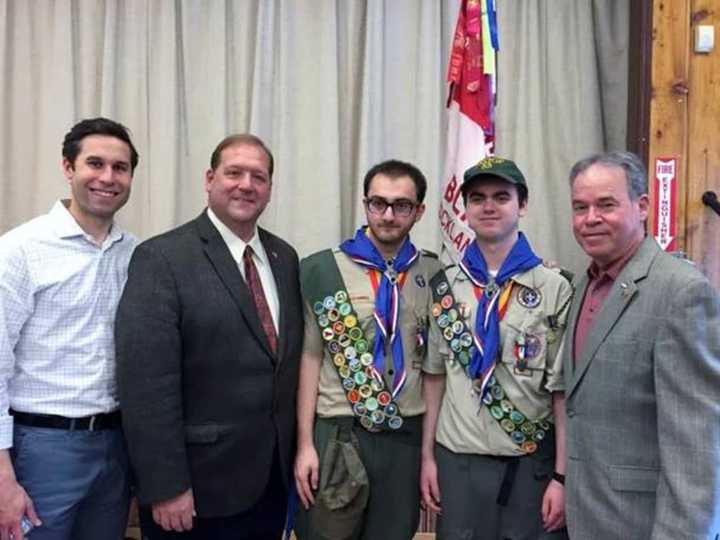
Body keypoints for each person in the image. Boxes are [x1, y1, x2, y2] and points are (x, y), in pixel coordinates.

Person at [115, 134, 304, 539]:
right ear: (209, 178)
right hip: (195, 490)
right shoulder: (162, 258)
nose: (246, 185)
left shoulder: (283, 257)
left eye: (258, 176)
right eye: (233, 172)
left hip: (270, 482)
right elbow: (145, 387)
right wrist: (165, 487)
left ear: (270, 188)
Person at [563, 150, 720, 539]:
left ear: (643, 206)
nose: (590, 218)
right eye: (580, 207)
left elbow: (697, 454)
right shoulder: (585, 284)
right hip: (590, 520)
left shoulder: (681, 292)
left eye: (606, 205)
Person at [0, 117, 139, 540]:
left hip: (115, 446)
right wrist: (4, 478)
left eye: (120, 168)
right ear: (68, 168)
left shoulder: (136, 254)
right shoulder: (20, 251)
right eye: (94, 164)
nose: (107, 178)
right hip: (41, 448)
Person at [421, 157, 573, 540]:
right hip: (459, 462)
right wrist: (426, 457)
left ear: (522, 205)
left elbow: (561, 392)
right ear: (466, 210)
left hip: (528, 465)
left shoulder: (554, 288)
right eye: (478, 198)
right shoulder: (445, 287)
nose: (488, 206)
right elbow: (435, 377)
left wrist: (561, 475)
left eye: (501, 197)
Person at [293, 159, 442, 540]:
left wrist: (427, 454)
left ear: (419, 211)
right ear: (365, 205)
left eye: (401, 205)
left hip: (403, 439)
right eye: (378, 203)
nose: (388, 214)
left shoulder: (434, 274)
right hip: (339, 434)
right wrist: (305, 444)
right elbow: (309, 360)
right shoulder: (322, 270)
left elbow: (434, 371)